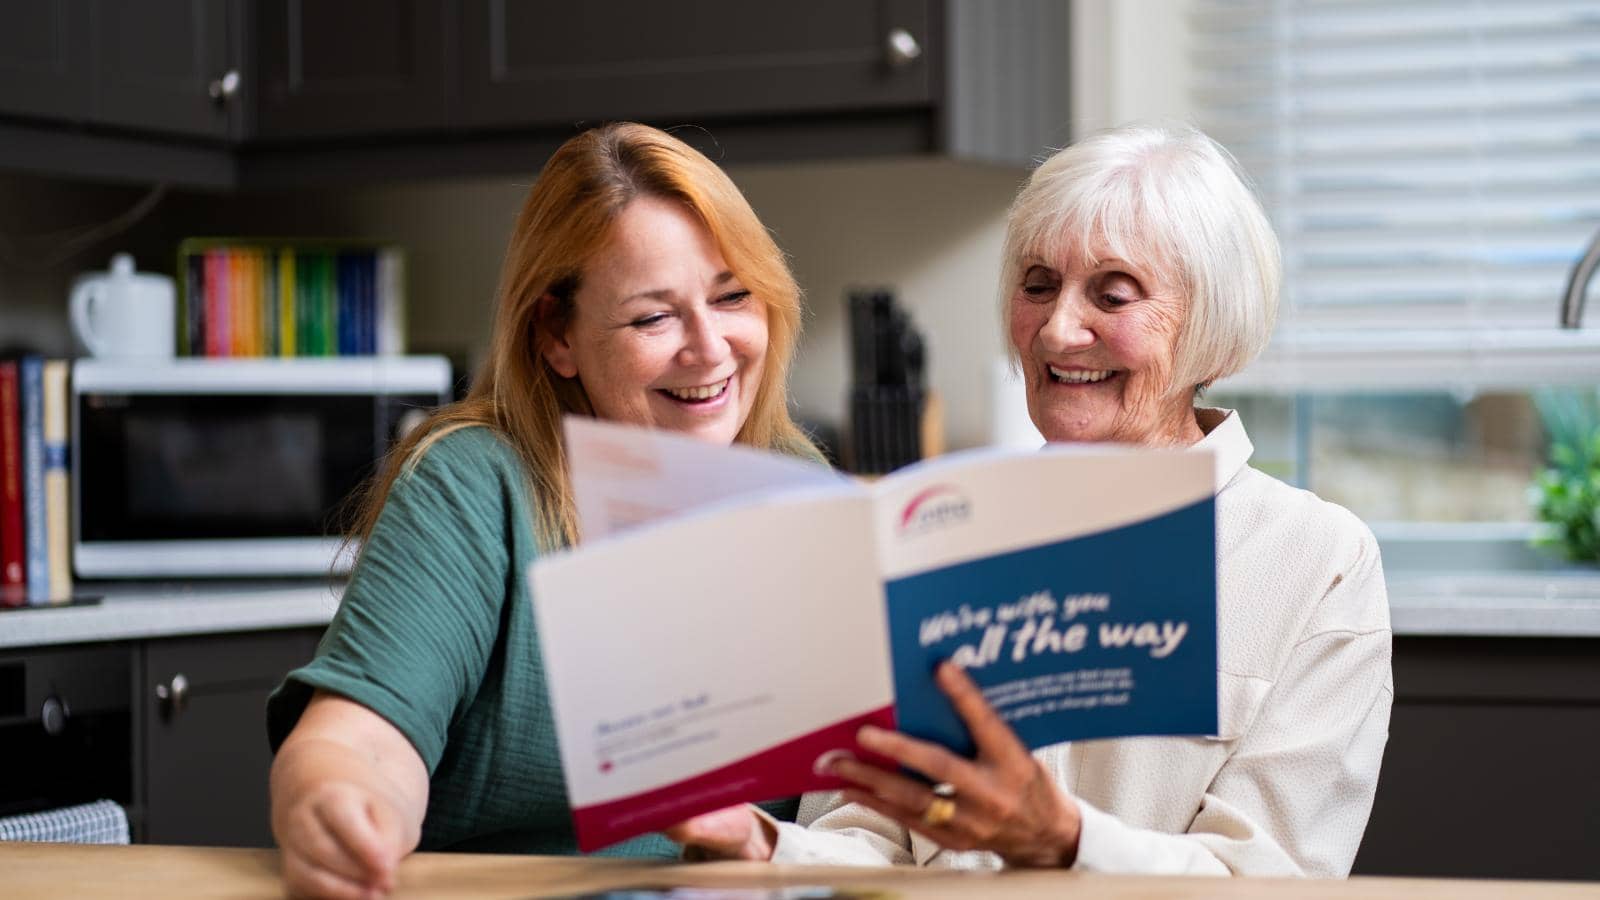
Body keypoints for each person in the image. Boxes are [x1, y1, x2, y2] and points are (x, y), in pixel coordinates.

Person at [671, 122, 1393, 877]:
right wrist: (767, 847)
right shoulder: (941, 535)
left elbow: (1279, 879)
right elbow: (870, 837)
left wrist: (1066, 843)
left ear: (1212, 334)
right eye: (1038, 285)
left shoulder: (1318, 561)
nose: (1057, 329)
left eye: (1113, 295)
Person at [267, 122, 819, 900]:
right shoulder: (473, 484)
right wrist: (336, 804)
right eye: (654, 318)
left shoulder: (798, 483)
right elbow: (358, 741)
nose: (710, 348)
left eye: (733, 296)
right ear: (558, 334)